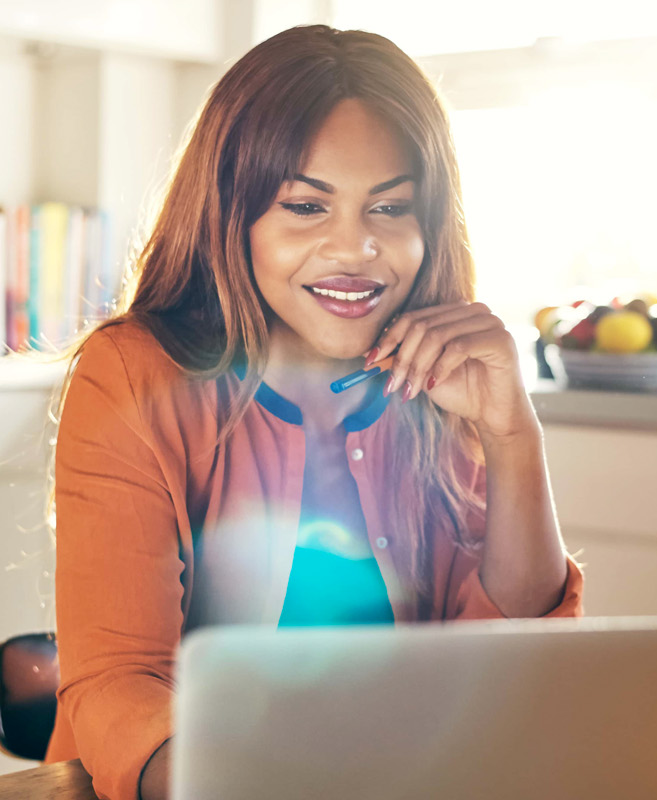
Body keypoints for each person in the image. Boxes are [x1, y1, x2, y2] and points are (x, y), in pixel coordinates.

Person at [47, 25, 585, 800]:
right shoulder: (132, 373)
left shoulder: (441, 378)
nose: (355, 249)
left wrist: (513, 436)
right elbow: (118, 685)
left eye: (390, 207)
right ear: (231, 217)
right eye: (305, 205)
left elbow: (511, 666)